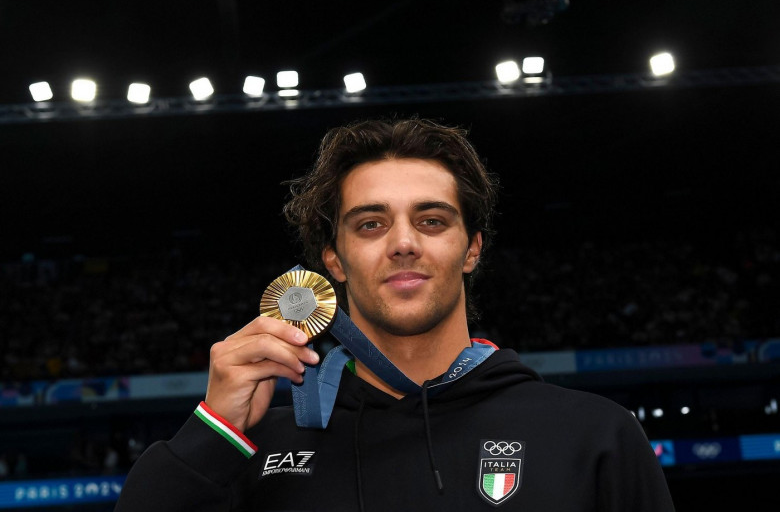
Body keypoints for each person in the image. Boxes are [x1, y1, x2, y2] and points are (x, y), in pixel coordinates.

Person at [115, 118, 675, 511]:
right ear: (333, 259)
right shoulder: (257, 449)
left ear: (472, 249)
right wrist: (213, 432)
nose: (404, 242)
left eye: (432, 220)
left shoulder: (594, 434)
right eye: (370, 224)